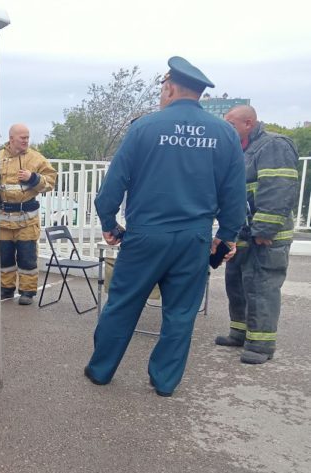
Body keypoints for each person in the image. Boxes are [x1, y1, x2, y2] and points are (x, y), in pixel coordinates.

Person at [83, 56, 247, 397]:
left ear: (170, 87)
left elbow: (113, 185)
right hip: (194, 239)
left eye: (162, 87)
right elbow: (234, 195)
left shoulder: (144, 127)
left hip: (145, 236)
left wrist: (109, 222)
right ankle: (164, 381)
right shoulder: (225, 134)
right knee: (180, 313)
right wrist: (226, 236)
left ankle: (101, 371)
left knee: (122, 304)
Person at [215, 105, 300, 364]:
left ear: (249, 123)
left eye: (230, 123)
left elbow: (278, 189)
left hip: (265, 235)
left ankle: (261, 345)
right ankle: (239, 333)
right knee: (237, 284)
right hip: (243, 232)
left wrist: (265, 229)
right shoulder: (241, 149)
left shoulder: (274, 145)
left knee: (262, 287)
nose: (225, 127)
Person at [0, 124, 57, 305]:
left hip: (26, 221)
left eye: (28, 137)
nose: (26, 141)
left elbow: (51, 182)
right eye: (22, 138)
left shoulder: (36, 159)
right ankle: (6, 289)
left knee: (27, 257)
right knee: (4, 257)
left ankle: (27, 292)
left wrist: (33, 178)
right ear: (11, 139)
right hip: (3, 220)